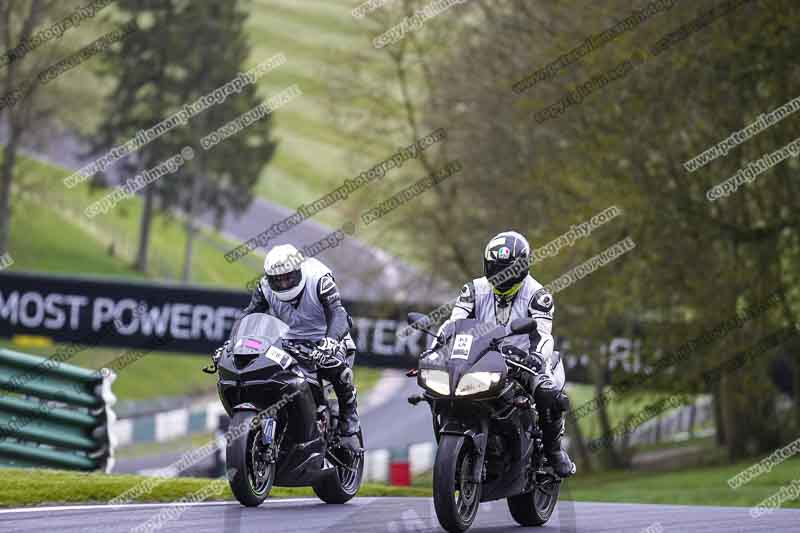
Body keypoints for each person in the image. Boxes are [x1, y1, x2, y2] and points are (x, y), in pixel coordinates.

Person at [444, 230, 575, 477]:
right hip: (480, 357)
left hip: (525, 362)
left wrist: (536, 357)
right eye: (495, 268)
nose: (502, 276)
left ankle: (554, 451)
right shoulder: (473, 289)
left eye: (509, 270)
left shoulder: (538, 295)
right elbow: (454, 322)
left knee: (549, 395)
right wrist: (438, 344)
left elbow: (544, 334)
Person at [223, 244, 360, 451]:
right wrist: (231, 343)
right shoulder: (264, 287)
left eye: (288, 278)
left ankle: (350, 419)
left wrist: (330, 342)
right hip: (288, 341)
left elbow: (338, 313)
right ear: (270, 278)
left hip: (327, 338)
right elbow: (249, 314)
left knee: (336, 368)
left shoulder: (319, 278)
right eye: (277, 280)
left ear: (300, 271)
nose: (284, 284)